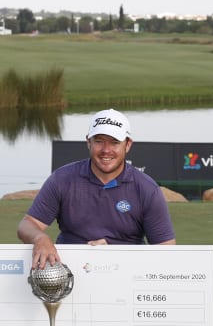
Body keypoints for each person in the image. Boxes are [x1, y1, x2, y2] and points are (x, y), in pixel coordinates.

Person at [17, 109, 176, 269]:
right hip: (69, 272)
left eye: (114, 142)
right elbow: (27, 225)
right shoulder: (62, 179)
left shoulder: (146, 188)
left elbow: (166, 249)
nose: (106, 150)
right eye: (99, 141)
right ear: (88, 142)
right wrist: (40, 238)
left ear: (127, 145)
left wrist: (113, 255)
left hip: (127, 274)